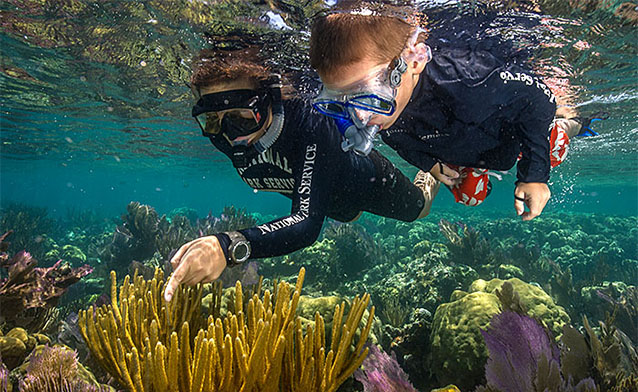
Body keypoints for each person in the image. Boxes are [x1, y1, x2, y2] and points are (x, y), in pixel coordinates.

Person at [163, 49, 439, 302]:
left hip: (364, 181)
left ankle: (430, 173)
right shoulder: (226, 137)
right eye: (211, 120)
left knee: (419, 209)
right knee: (345, 214)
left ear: (270, 101)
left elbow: (305, 225)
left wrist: (227, 246)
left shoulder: (309, 124)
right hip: (328, 202)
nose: (230, 134)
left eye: (244, 117)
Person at [308, 4, 604, 219]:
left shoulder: (465, 79)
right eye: (339, 101)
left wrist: (535, 176)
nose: (358, 117)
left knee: (552, 150)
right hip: (466, 151)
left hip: (509, 136)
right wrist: (431, 165)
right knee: (469, 197)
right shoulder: (382, 116)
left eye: (368, 95)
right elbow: (401, 142)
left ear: (414, 61)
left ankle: (569, 125)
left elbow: (539, 100)